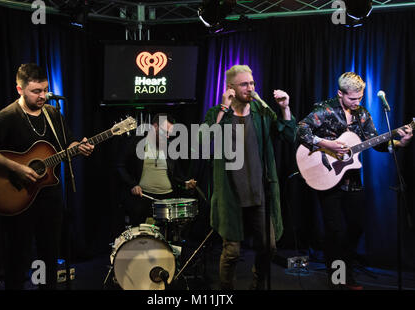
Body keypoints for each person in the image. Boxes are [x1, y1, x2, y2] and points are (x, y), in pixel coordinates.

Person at [0, 63, 94, 289]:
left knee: (49, 256)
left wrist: (80, 146)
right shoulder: (8, 116)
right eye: (36, 91)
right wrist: (16, 168)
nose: (42, 96)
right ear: (20, 89)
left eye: (45, 90)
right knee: (16, 260)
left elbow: (68, 144)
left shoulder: (53, 113)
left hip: (50, 197)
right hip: (18, 199)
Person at [296, 72, 413, 290]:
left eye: (359, 98)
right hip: (327, 178)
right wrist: (326, 144)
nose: (357, 102)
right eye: (352, 98)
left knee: (356, 227)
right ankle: (339, 276)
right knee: (336, 230)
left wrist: (400, 143)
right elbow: (301, 130)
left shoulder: (362, 114)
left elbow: (376, 142)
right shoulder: (325, 109)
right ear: (340, 94)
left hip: (352, 181)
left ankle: (344, 268)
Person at [201, 65, 296, 290]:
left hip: (259, 192)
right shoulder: (217, 113)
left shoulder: (261, 113)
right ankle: (226, 291)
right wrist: (224, 107)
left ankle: (258, 284)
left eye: (252, 84)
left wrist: (285, 108)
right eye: (245, 84)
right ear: (230, 88)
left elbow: (289, 135)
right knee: (232, 252)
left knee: (269, 246)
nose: (250, 88)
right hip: (231, 194)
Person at [115, 113, 197, 228]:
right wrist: (132, 184)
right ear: (155, 127)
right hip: (142, 199)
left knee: (165, 238)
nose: (168, 136)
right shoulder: (136, 142)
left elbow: (175, 175)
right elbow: (120, 165)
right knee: (142, 238)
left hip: (167, 201)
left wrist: (185, 183)